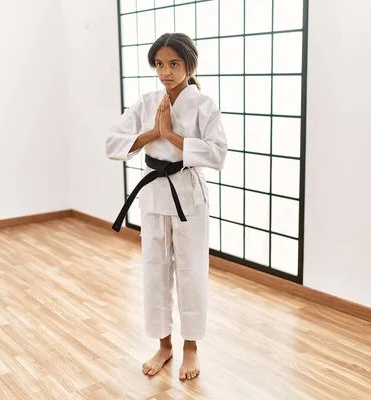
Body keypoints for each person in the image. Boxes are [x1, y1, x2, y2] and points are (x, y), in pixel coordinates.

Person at [105, 32, 227, 381]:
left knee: (191, 271)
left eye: (174, 64)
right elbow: (112, 144)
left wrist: (172, 135)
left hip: (188, 195)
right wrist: (153, 133)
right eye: (160, 64)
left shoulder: (204, 105)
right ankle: (164, 344)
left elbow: (218, 154)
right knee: (154, 269)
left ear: (189, 65)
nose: (166, 72)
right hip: (155, 195)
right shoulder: (147, 102)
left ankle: (190, 347)